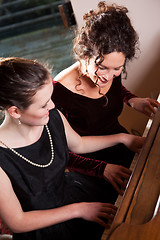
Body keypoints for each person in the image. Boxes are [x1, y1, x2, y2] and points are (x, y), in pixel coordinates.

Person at [0, 57, 145, 240]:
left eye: (50, 98)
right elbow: (17, 222)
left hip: (73, 194)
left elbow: (79, 144)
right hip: (44, 227)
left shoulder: (51, 116)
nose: (52, 106)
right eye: (44, 105)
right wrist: (79, 210)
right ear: (15, 111)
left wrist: (122, 138)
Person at [52, 1, 159, 196]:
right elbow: (59, 153)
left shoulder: (109, 70)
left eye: (117, 69)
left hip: (124, 147)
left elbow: (111, 93)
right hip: (91, 173)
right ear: (85, 54)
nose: (109, 77)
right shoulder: (57, 92)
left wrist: (132, 100)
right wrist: (102, 169)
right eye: (102, 68)